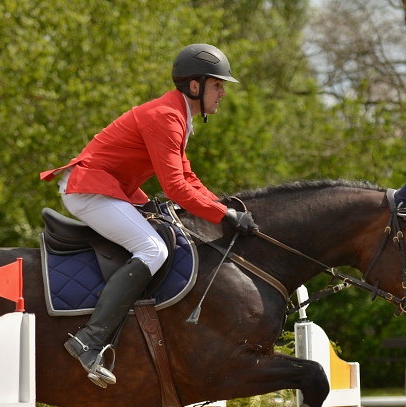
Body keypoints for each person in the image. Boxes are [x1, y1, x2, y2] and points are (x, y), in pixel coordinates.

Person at [41, 43, 259, 388]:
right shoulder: (166, 117)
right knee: (153, 250)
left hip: (107, 189)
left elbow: (188, 177)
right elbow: (175, 187)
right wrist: (224, 216)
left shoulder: (177, 115)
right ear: (194, 85)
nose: (222, 93)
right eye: (218, 85)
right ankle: (89, 340)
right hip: (89, 190)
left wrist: (224, 210)